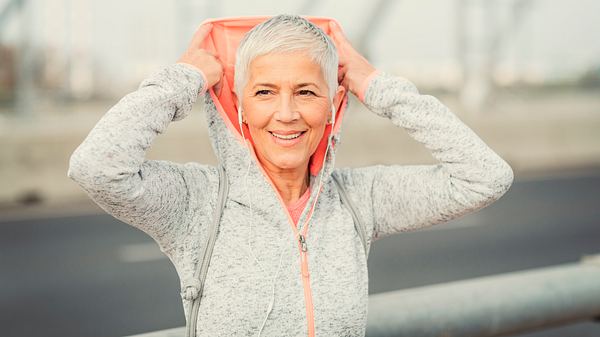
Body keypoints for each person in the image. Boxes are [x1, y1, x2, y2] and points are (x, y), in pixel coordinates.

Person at [67, 14, 514, 337]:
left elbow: (484, 177)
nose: (286, 114)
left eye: (305, 91)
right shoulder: (197, 202)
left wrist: (374, 84)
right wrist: (183, 79)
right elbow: (96, 166)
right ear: (241, 106)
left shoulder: (359, 200)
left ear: (331, 105)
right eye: (265, 92)